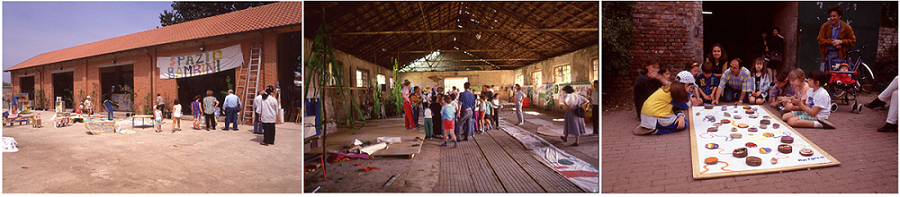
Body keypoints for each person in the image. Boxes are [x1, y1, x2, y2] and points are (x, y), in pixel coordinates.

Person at [633, 71, 694, 135]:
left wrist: (681, 115)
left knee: (679, 118)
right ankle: (655, 130)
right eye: (690, 87)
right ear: (686, 84)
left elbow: (676, 107)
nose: (690, 89)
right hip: (654, 117)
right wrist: (688, 95)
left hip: (647, 116)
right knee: (685, 124)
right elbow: (686, 105)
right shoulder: (676, 92)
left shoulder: (671, 86)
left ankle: (650, 127)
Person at [817, 5, 856, 72]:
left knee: (839, 76)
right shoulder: (825, 26)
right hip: (827, 55)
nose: (832, 18)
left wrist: (840, 42)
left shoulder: (847, 28)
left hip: (840, 56)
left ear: (840, 16)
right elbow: (820, 40)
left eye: (834, 16)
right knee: (823, 76)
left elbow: (852, 41)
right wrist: (832, 42)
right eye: (830, 16)